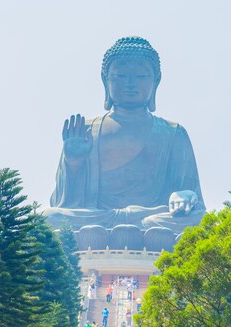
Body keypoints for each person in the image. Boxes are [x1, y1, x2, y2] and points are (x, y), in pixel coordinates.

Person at [48, 37, 206, 235]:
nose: (130, 84)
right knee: (49, 219)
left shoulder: (173, 133)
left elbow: (192, 196)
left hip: (152, 218)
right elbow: (61, 203)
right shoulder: (86, 131)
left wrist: (184, 196)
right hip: (97, 219)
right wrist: (73, 163)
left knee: (196, 222)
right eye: (120, 76)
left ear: (156, 82)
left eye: (140, 76)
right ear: (105, 81)